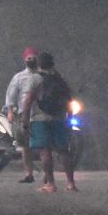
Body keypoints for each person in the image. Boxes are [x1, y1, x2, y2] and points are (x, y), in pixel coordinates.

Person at [20, 51, 78, 193]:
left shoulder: (34, 79)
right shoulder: (60, 79)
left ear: (38, 64)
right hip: (59, 119)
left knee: (45, 151)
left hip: (40, 120)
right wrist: (69, 119)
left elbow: (28, 101)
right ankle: (71, 183)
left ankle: (50, 184)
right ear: (52, 63)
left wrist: (24, 120)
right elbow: (69, 101)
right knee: (64, 151)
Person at [4, 47, 39, 183]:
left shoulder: (42, 75)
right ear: (25, 60)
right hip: (24, 114)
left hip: (39, 113)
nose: (31, 60)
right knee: (25, 146)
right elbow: (11, 95)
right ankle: (29, 174)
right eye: (28, 58)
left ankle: (48, 176)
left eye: (33, 58)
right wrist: (10, 111)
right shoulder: (19, 77)